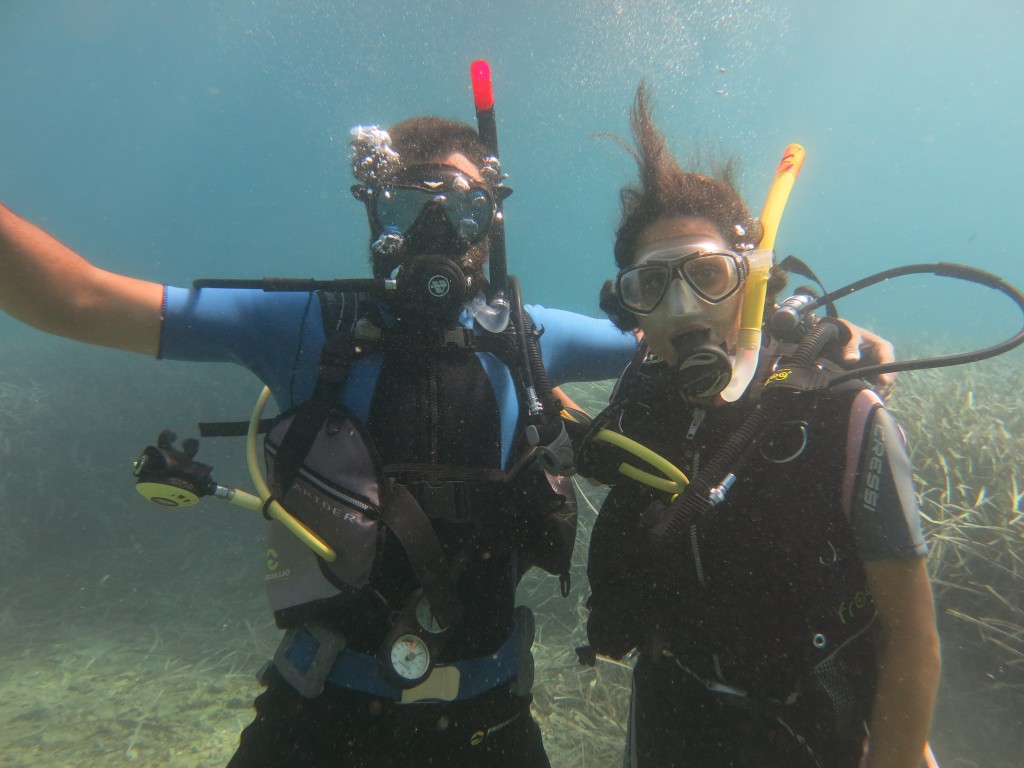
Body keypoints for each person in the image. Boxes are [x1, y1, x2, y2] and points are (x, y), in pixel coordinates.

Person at [0, 104, 895, 765]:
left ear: (489, 227)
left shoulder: (529, 335)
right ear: (374, 219)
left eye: (461, 214)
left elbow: (685, 326)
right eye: (406, 210)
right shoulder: (301, 323)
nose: (433, 232)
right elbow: (71, 297)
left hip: (490, 724)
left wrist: (810, 338)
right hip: (314, 722)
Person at [578, 84, 940, 768]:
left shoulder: (844, 414)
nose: (684, 310)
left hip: (813, 732)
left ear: (754, 281)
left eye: (709, 275)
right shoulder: (639, 403)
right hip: (669, 717)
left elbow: (912, 635)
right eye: (651, 287)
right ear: (631, 313)